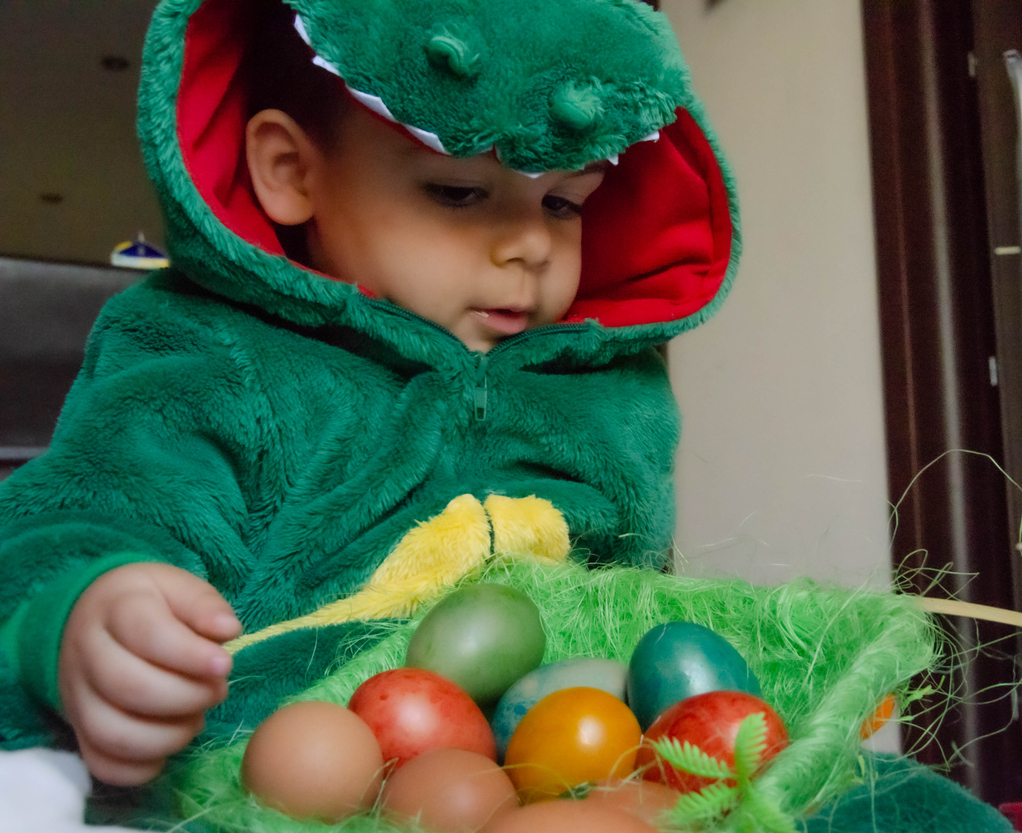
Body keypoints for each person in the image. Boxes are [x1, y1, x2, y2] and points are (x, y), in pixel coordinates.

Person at [0, 0, 736, 792]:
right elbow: (82, 518)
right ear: (290, 171)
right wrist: (79, 616)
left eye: (563, 202)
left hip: (559, 785)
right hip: (253, 786)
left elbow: (634, 603)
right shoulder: (210, 352)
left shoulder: (612, 392)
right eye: (458, 192)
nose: (530, 242)